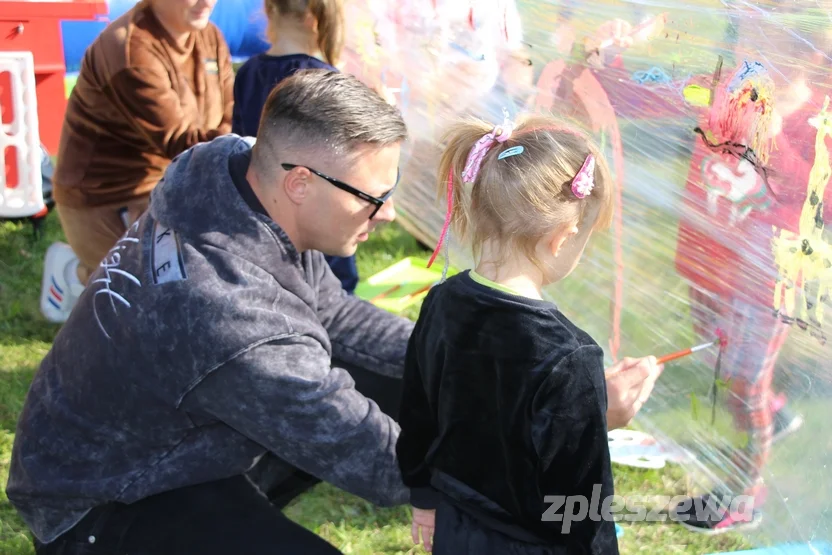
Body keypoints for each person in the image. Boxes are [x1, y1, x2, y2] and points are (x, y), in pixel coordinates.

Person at [8, 70, 662, 555]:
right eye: (371, 200)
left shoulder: (226, 166)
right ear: (301, 181)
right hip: (101, 496)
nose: (384, 218)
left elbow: (340, 318)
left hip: (164, 421)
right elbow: (377, 456)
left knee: (411, 391)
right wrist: (551, 422)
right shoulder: (230, 316)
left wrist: (499, 378)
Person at [397, 114, 622, 554]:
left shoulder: (441, 301)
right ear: (562, 237)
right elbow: (581, 497)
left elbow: (416, 411)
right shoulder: (570, 355)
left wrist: (423, 498)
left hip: (457, 527)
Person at [670, 10, 831, 534]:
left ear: (805, 55)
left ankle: (744, 494)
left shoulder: (816, 121)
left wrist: (777, 136)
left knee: (741, 383)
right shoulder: (726, 90)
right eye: (744, 35)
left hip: (765, 277)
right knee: (714, 348)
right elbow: (667, 93)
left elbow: (815, 205)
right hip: (711, 256)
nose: (748, 51)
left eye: (763, 42)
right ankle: (774, 409)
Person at [41, 0, 234, 322]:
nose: (207, 1)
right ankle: (73, 275)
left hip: (174, 178)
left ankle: (91, 273)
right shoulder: (129, 48)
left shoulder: (210, 35)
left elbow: (229, 113)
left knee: (192, 287)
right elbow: (178, 141)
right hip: (105, 194)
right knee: (160, 306)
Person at [232, 0, 359, 294]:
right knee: (330, 296)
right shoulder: (324, 79)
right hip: (317, 211)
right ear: (319, 19)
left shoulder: (248, 72)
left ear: (269, 10)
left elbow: (239, 143)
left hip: (262, 208)